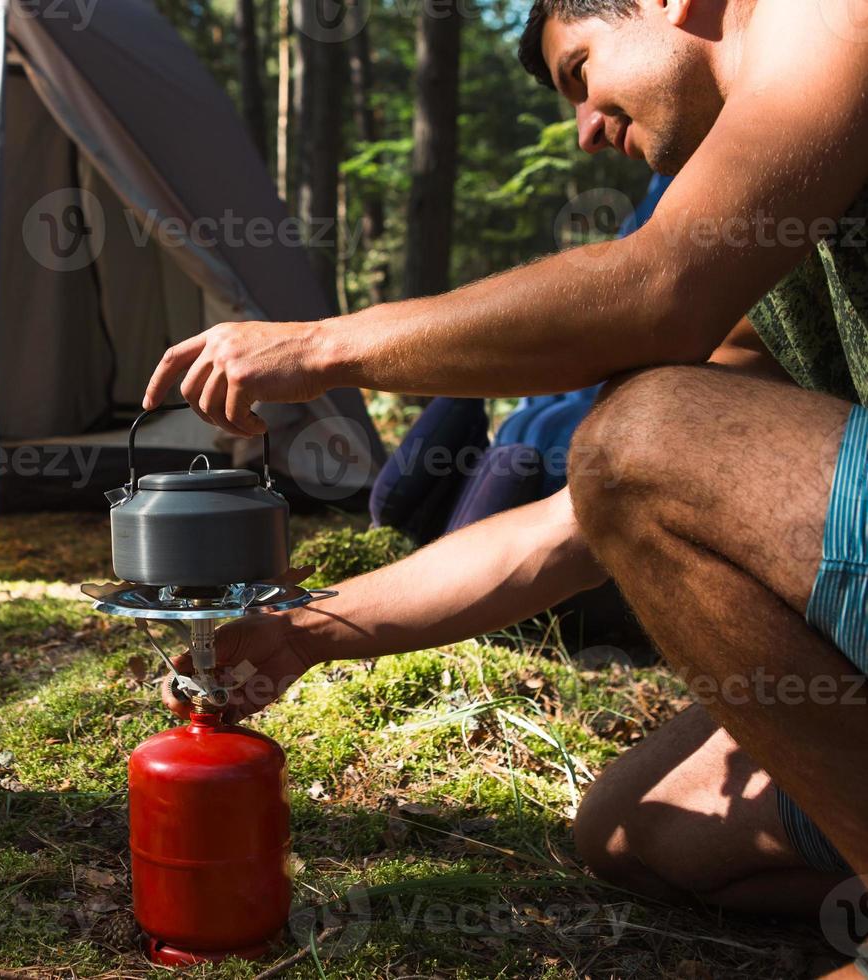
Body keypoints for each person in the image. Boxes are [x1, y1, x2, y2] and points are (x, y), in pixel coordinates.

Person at [146, 0, 868, 968]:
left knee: (638, 430)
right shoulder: (765, 263)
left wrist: (323, 346)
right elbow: (574, 525)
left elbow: (654, 294)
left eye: (579, 71)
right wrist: (298, 631)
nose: (584, 127)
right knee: (631, 828)